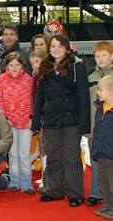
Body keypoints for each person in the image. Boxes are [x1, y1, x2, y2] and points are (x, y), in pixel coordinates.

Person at [31, 35, 90, 207]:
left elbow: (83, 96)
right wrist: (36, 122)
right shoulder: (46, 68)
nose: (56, 49)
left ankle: (75, 194)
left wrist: (84, 123)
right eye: (53, 46)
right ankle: (55, 190)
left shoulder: (76, 67)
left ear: (66, 47)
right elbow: (40, 98)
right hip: (51, 121)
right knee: (54, 157)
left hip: (71, 120)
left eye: (59, 46)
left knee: (71, 157)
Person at [0, 51, 35, 194]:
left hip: (26, 123)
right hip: (8, 123)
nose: (14, 68)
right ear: (6, 66)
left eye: (17, 65)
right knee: (12, 154)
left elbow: (33, 100)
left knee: (24, 154)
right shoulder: (1, 80)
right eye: (11, 65)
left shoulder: (28, 80)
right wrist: (5, 119)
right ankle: (14, 182)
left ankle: (26, 183)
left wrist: (31, 118)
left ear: (22, 65)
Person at [85, 41, 113, 207]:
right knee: (95, 161)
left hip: (110, 127)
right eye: (97, 56)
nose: (100, 59)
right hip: (94, 127)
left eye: (104, 55)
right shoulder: (89, 75)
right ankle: (96, 193)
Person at [90, 75, 113, 219]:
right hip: (100, 151)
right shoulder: (99, 106)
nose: (98, 92)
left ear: (111, 92)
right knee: (103, 180)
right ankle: (108, 205)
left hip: (111, 153)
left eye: (101, 90)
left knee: (112, 181)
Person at [29, 49, 48, 194]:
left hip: (49, 118)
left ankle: (48, 178)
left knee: (48, 149)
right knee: (42, 148)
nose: (35, 65)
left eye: (37, 62)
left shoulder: (48, 76)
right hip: (39, 117)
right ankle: (45, 176)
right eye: (32, 63)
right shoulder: (35, 76)